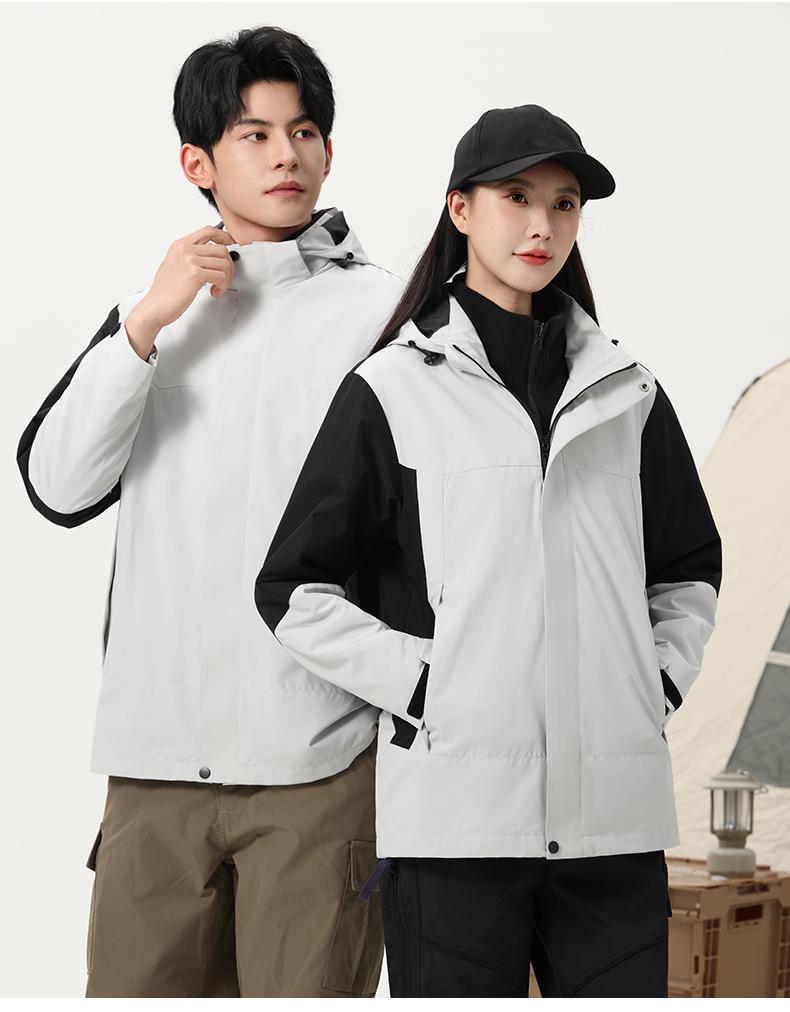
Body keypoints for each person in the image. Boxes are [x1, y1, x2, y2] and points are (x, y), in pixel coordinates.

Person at [254, 104, 723, 997]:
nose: (542, 225)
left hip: (612, 830)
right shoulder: (393, 389)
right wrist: (428, 687)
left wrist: (649, 685)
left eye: (564, 203)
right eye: (516, 198)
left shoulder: (627, 393)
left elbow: (688, 568)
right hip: (456, 828)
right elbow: (291, 588)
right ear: (461, 209)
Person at [16, 25, 404, 998]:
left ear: (329, 151)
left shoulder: (388, 316)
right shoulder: (156, 315)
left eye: (303, 132)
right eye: (253, 135)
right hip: (154, 764)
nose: (285, 155)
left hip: (318, 762)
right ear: (199, 163)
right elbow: (58, 484)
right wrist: (148, 321)